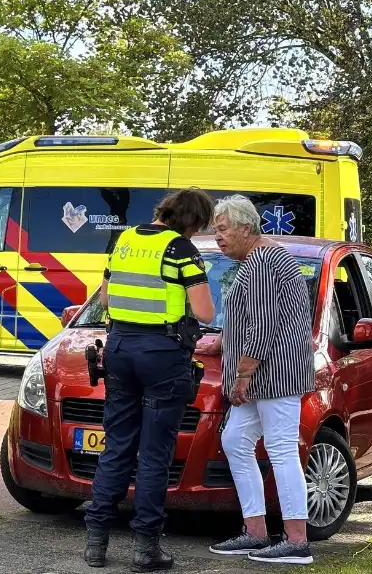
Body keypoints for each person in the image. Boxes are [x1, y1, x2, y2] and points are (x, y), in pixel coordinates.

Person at [83, 188, 216, 571]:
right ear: (192, 221)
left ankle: (96, 543)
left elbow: (106, 300)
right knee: (155, 454)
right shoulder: (181, 249)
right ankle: (145, 549)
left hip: (120, 349)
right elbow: (205, 312)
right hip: (162, 355)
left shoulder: (124, 239)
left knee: (117, 447)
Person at [198, 195, 316, 565]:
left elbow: (263, 324)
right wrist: (218, 342)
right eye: (215, 229)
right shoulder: (261, 259)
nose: (217, 237)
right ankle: (256, 532)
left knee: (281, 451)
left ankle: (297, 542)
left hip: (273, 375)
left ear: (246, 228)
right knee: (235, 440)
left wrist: (243, 375)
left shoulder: (262, 262)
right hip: (266, 375)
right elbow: (248, 318)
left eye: (222, 229)